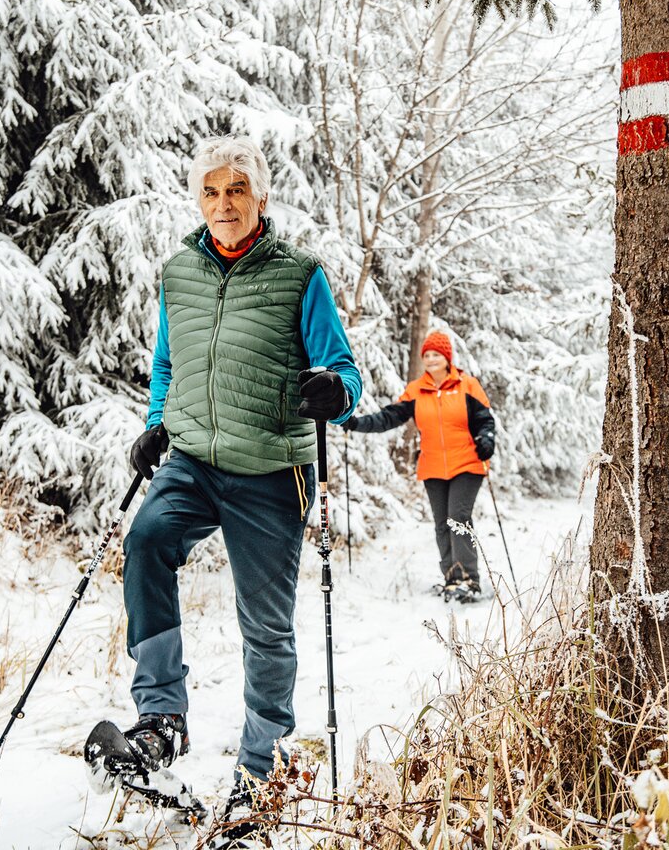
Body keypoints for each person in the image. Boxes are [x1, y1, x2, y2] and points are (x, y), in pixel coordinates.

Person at [92, 136, 361, 844]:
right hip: (193, 460)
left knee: (264, 624)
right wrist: (156, 422)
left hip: (270, 470)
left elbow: (344, 369)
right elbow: (167, 363)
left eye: (236, 189)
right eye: (210, 191)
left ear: (261, 197)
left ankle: (262, 768)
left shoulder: (300, 274)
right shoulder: (178, 272)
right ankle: (161, 719)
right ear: (198, 200)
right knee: (146, 542)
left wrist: (335, 391)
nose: (223, 203)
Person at [342, 331, 494, 602]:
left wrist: (487, 438)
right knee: (442, 523)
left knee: (458, 518)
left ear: (447, 357)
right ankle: (452, 578)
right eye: (427, 355)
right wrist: (356, 423)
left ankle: (469, 579)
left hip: (467, 462)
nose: (431, 359)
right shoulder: (417, 390)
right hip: (433, 467)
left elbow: (485, 419)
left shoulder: (467, 385)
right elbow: (389, 417)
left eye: (436, 354)